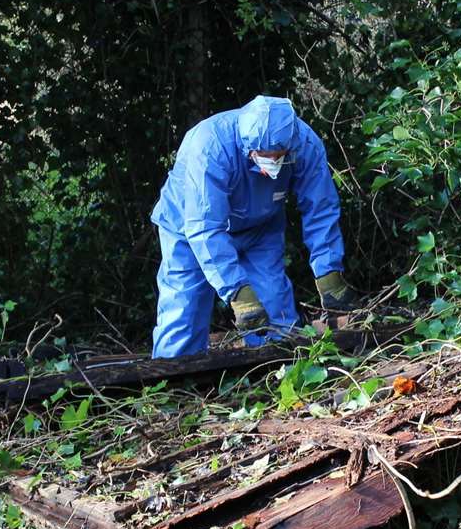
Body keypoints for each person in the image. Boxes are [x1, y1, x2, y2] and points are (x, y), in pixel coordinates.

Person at [150, 95, 355, 358]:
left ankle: (279, 378)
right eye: (263, 156)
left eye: (279, 156)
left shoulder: (305, 143)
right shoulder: (210, 145)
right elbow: (204, 227)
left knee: (276, 314)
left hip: (261, 228)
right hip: (189, 232)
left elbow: (321, 208)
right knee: (183, 313)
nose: (271, 164)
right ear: (247, 147)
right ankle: (172, 389)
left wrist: (329, 274)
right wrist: (238, 293)